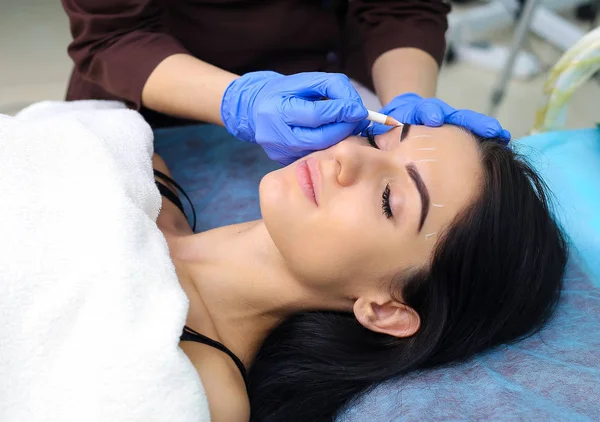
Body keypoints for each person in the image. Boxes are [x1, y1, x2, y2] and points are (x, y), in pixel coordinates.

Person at [152, 124, 567, 421]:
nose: (347, 154)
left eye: (388, 199)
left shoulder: (198, 394)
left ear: (386, 309)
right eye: (376, 139)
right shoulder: (140, 164)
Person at [61, 0, 511, 165]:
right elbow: (114, 34)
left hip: (331, 69)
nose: (347, 166)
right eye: (389, 200)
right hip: (157, 87)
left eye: (391, 200)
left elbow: (400, 9)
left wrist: (407, 97)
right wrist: (239, 100)